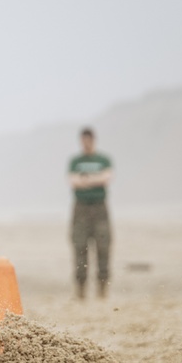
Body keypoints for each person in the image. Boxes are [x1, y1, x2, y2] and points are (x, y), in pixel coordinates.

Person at [67, 127, 113, 299]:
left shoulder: (103, 159)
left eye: (89, 140)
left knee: (103, 247)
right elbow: (73, 181)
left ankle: (102, 289)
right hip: (80, 209)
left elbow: (107, 178)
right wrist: (95, 180)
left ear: (93, 140)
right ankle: (81, 289)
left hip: (100, 208)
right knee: (79, 247)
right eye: (83, 140)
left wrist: (85, 180)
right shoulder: (75, 161)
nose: (86, 143)